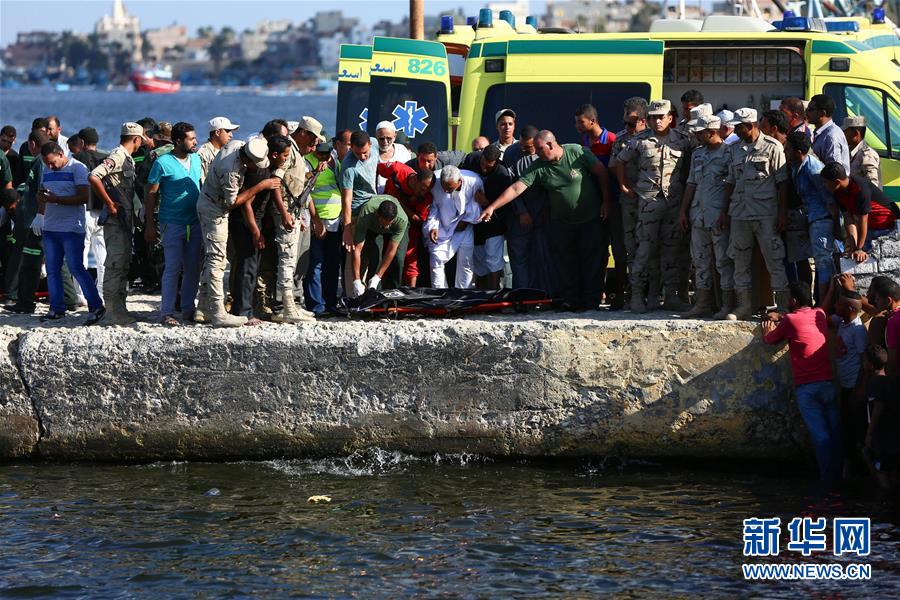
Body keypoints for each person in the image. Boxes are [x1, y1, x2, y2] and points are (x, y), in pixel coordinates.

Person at [482, 130, 610, 310]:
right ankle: (571, 300)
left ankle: (592, 302)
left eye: (539, 149)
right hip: (562, 223)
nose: (536, 153)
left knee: (592, 261)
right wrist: (492, 207)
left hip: (589, 220)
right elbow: (517, 188)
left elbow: (601, 172)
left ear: (550, 144)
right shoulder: (539, 165)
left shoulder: (576, 152)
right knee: (566, 263)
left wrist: (606, 201)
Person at [762, 281, 841, 484]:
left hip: (807, 388)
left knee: (821, 437)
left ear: (793, 301)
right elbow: (816, 311)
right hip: (828, 384)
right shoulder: (820, 315)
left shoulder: (790, 319)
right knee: (835, 433)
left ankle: (828, 481)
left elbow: (771, 340)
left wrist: (767, 329)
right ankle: (840, 477)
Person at [618, 99, 692, 313]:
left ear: (670, 118)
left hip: (674, 203)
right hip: (648, 202)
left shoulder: (682, 140)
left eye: (661, 117)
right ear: (648, 119)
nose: (657, 121)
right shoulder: (640, 141)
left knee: (671, 250)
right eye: (653, 117)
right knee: (644, 250)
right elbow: (620, 160)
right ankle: (638, 297)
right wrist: (624, 186)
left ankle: (670, 296)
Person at [717, 108, 790, 319]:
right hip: (740, 213)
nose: (737, 131)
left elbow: (782, 182)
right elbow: (730, 181)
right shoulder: (735, 149)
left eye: (740, 127)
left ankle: (783, 307)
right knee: (739, 260)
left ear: (751, 126)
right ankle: (744, 306)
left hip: (766, 213)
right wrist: (724, 211)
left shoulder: (772, 147)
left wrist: (782, 213)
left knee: (774, 259)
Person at [197, 137, 276, 327]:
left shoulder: (238, 146)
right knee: (216, 260)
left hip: (213, 203)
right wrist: (260, 186)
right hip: (215, 209)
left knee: (212, 259)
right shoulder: (231, 171)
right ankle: (217, 313)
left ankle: (205, 307)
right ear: (247, 161)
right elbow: (232, 203)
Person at [34, 142, 104, 324]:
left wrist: (57, 199)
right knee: (52, 269)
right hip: (50, 227)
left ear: (60, 154)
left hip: (72, 227)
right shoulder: (47, 169)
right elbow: (41, 193)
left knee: (76, 268)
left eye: (52, 162)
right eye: (46, 163)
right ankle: (57, 308)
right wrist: (40, 213)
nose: (50, 167)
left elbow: (83, 197)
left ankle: (96, 305)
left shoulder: (77, 168)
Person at [143, 122, 203, 325]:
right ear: (178, 141)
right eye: (191, 139)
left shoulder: (196, 159)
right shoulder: (162, 162)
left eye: (195, 138)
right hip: (172, 222)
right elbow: (151, 194)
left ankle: (188, 308)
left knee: (193, 268)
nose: (195, 142)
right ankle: (166, 311)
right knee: (172, 268)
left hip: (194, 222)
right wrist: (149, 225)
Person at [230, 135, 291, 322]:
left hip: (255, 222)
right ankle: (242, 312)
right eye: (285, 155)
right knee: (247, 267)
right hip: (245, 223)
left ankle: (245, 310)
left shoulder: (270, 169)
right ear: (274, 155)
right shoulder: (260, 173)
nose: (287, 159)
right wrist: (256, 231)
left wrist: (284, 214)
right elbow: (246, 203)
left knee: (252, 266)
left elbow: (274, 193)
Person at [88, 122, 144, 326]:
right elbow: (94, 176)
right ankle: (111, 311)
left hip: (124, 220)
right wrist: (109, 203)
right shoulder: (118, 156)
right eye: (140, 141)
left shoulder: (126, 158)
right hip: (115, 221)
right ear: (136, 139)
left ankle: (120, 308)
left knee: (123, 265)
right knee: (114, 264)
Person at [679, 115, 735, 319]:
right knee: (700, 260)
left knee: (723, 260)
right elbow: (691, 183)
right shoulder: (698, 154)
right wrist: (683, 211)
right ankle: (703, 303)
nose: (696, 136)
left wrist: (724, 212)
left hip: (718, 215)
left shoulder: (729, 153)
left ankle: (727, 305)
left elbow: (731, 184)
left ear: (711, 132)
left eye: (700, 133)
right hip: (698, 215)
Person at [271, 116, 324, 324]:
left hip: (293, 210)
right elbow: (277, 181)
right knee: (286, 259)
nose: (315, 143)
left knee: (291, 259)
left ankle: (291, 304)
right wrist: (284, 213)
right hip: (286, 211)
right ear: (302, 133)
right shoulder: (289, 150)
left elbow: (297, 183)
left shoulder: (297, 152)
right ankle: (286, 306)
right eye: (312, 137)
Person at [822, 282, 868, 475]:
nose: (835, 306)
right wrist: (832, 291)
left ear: (849, 309)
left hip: (855, 390)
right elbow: (821, 317)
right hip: (846, 386)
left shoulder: (857, 331)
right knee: (847, 430)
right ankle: (850, 470)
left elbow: (865, 363)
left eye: (839, 304)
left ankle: (861, 472)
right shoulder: (842, 322)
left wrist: (858, 391)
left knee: (856, 431)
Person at [784, 132, 836, 300]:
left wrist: (836, 225)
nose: (786, 150)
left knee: (823, 262)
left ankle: (824, 302)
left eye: (789, 148)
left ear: (798, 151)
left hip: (821, 219)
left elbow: (828, 198)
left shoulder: (813, 168)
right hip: (811, 218)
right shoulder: (796, 167)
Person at [610, 98, 651, 294]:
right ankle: (634, 291)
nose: (627, 127)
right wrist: (624, 186)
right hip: (629, 200)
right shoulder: (621, 139)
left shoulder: (654, 139)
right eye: (625, 122)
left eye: (631, 123)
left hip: (650, 200)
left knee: (650, 243)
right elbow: (614, 164)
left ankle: (652, 291)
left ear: (643, 120)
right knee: (630, 245)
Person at [820, 162, 898, 261]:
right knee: (856, 258)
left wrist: (859, 248)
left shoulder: (859, 189)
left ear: (837, 182)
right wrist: (853, 247)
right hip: (869, 229)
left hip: (886, 226)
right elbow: (849, 220)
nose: (824, 185)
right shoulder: (838, 193)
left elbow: (863, 221)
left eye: (825, 182)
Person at [462, 145, 513, 290]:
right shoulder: (471, 159)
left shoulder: (502, 175)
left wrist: (487, 203)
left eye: (489, 167)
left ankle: (494, 296)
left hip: (494, 224)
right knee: (478, 261)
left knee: (493, 260)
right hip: (474, 221)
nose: (484, 169)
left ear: (496, 162)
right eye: (483, 164)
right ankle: (480, 296)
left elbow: (506, 204)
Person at [425, 166, 485, 289]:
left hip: (464, 224)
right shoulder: (434, 181)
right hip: (441, 225)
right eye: (444, 187)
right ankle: (439, 295)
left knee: (466, 261)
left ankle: (463, 294)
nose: (446, 191)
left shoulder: (474, 181)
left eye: (450, 188)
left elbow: (476, 206)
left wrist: (466, 221)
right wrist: (433, 226)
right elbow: (433, 207)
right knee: (436, 259)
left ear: (459, 181)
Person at [377, 160, 434, 287]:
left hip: (408, 225)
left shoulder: (427, 196)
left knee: (408, 258)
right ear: (414, 180)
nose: (424, 192)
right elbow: (377, 170)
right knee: (379, 252)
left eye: (427, 190)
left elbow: (418, 219)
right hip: (383, 217)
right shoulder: (397, 169)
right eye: (423, 188)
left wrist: (398, 203)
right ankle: (377, 289)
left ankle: (410, 294)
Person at [303, 140, 343, 315]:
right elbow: (306, 192)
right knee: (315, 264)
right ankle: (316, 306)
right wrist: (316, 221)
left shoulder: (334, 159)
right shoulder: (307, 161)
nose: (324, 157)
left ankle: (331, 303)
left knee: (332, 264)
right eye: (321, 153)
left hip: (335, 219)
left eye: (327, 153)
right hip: (317, 219)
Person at [72, 127, 108, 302]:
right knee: (102, 255)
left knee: (81, 255)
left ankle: (81, 295)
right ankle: (102, 293)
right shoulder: (106, 158)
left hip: (83, 211)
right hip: (102, 212)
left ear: (82, 142)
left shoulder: (77, 159)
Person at [349, 196, 409, 295]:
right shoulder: (367, 213)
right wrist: (356, 280)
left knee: (399, 259)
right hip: (373, 228)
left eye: (389, 223)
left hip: (395, 229)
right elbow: (357, 249)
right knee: (375, 257)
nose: (386, 226)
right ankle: (372, 293)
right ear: (377, 215)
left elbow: (391, 250)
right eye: (384, 223)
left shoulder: (402, 220)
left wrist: (378, 277)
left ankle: (392, 297)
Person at [862, 345, 900, 489]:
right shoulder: (892, 380)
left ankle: (885, 497)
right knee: (893, 472)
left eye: (864, 362)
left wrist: (869, 434)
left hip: (882, 437)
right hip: (895, 435)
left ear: (870, 366)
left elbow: (878, 407)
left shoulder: (874, 383)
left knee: (880, 470)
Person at [807, 94, 850, 175]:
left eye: (810, 109)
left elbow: (834, 172)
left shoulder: (831, 136)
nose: (806, 112)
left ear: (822, 113)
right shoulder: (822, 133)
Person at [374, 121, 413, 193]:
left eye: (389, 138)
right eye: (381, 138)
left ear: (394, 137)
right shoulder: (369, 151)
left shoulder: (402, 151)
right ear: (376, 136)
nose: (385, 142)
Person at [843, 116, 881, 188]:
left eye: (846, 132)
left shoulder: (868, 155)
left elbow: (872, 186)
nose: (843, 135)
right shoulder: (848, 151)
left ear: (856, 134)